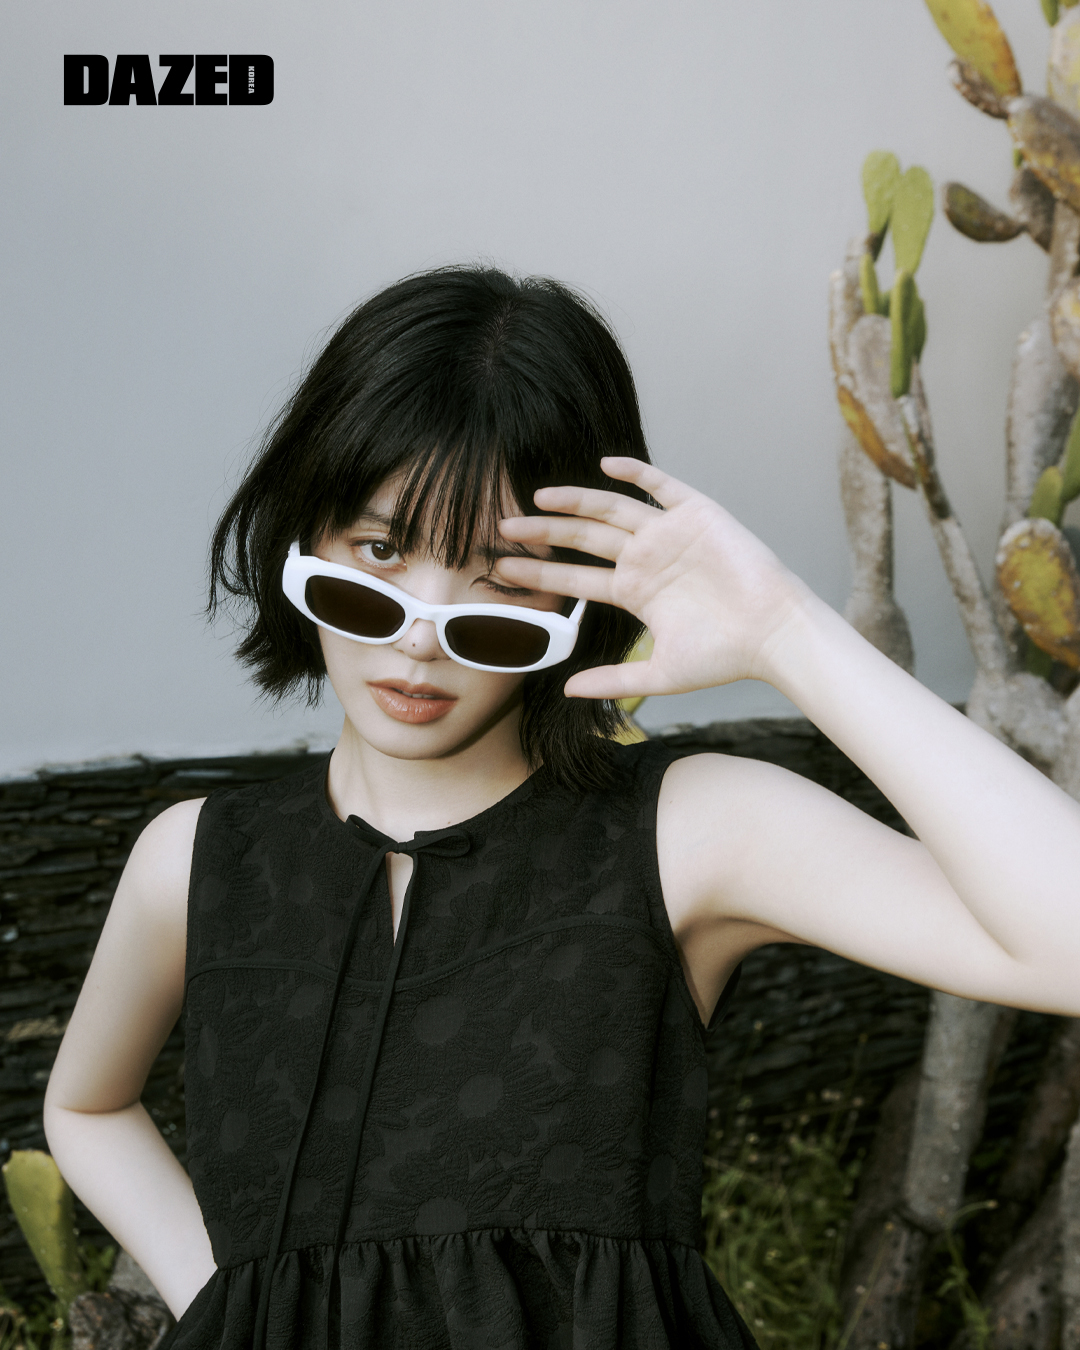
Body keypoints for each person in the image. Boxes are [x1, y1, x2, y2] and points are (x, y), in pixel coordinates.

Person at [43, 266, 1080, 1350]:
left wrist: (784, 629)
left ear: (583, 583)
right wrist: (235, 1299)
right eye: (380, 551)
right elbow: (84, 1104)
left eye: (500, 577)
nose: (421, 636)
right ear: (304, 532)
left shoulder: (688, 834)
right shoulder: (196, 860)